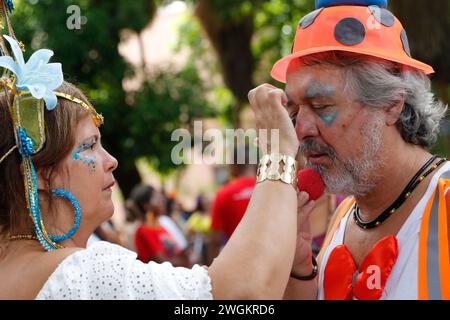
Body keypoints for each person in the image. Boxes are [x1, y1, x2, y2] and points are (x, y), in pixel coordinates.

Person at [0, 33, 311, 299]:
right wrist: (279, 150)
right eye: (89, 145)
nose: (112, 161)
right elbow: (240, 294)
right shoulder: (83, 274)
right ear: (40, 175)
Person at [249, 0, 449, 299]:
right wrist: (299, 267)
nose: (300, 129)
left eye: (321, 106)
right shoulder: (344, 214)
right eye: (296, 109)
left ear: (391, 103)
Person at [208, 145, 257, 263]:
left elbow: (216, 239)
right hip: (273, 264)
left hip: (237, 263)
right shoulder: (272, 189)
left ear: (233, 166)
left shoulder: (223, 194)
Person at [126, 184, 188, 266]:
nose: (162, 201)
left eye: (160, 197)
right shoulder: (143, 231)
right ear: (146, 205)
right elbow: (163, 262)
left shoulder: (160, 225)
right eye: (156, 198)